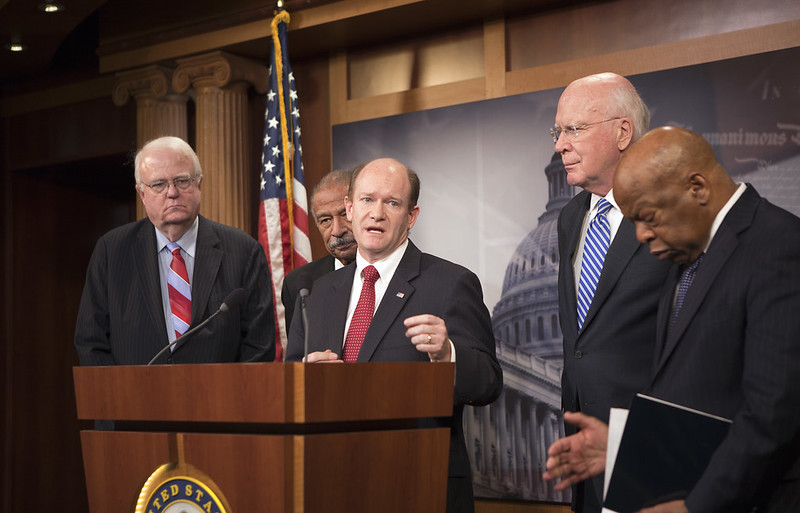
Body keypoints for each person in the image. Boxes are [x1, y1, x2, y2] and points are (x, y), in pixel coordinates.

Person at [544, 126, 800, 512]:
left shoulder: (780, 245)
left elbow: (774, 413)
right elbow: (694, 393)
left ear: (697, 188)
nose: (643, 236)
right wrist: (622, 443)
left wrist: (695, 507)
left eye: (648, 218)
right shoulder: (687, 254)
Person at [285, 157, 503, 513]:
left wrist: (447, 354)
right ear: (350, 208)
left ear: (411, 217)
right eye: (368, 200)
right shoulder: (317, 292)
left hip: (417, 485)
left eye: (393, 203)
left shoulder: (450, 284)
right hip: (330, 484)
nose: (377, 213)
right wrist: (304, 378)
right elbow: (290, 384)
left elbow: (488, 383)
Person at [553, 72, 672, 512]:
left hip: (654, 448)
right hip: (583, 448)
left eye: (574, 129)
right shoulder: (570, 218)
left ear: (623, 132)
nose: (560, 144)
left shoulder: (672, 211)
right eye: (558, 131)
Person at [75, 136, 275, 365]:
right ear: (142, 193)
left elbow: (259, 346)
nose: (172, 192)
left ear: (199, 184)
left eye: (182, 181)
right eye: (158, 184)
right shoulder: (112, 251)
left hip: (219, 398)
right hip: (134, 397)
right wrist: (117, 399)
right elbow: (91, 342)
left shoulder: (244, 251)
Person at [281, 169, 357, 332]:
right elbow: (298, 353)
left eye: (345, 215)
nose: (337, 230)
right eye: (326, 220)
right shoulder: (298, 285)